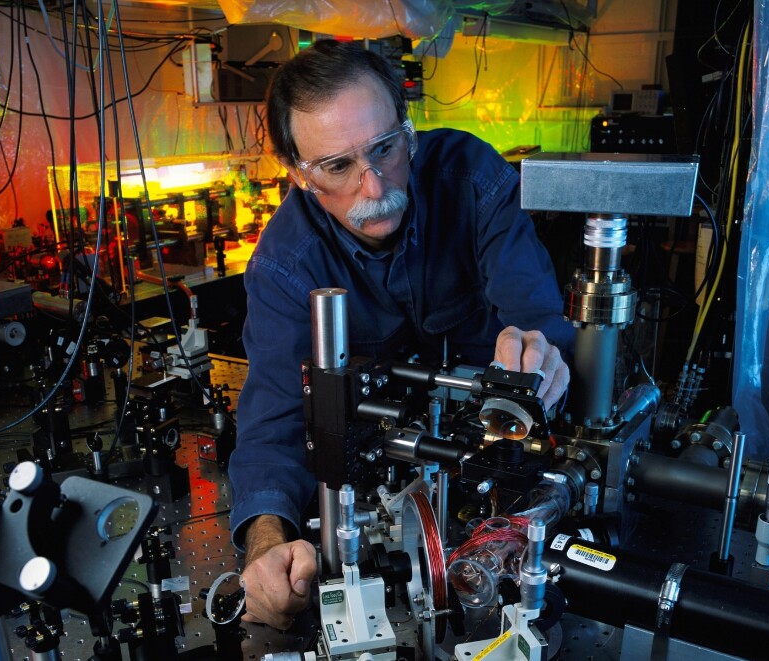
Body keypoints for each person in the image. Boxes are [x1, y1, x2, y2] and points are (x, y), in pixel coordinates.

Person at [228, 39, 575, 630]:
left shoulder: (470, 177)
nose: (373, 186)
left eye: (385, 148)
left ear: (408, 130)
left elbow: (535, 313)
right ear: (298, 173)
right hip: (385, 499)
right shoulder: (285, 266)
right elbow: (274, 423)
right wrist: (266, 544)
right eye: (338, 166)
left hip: (501, 462)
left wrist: (537, 353)